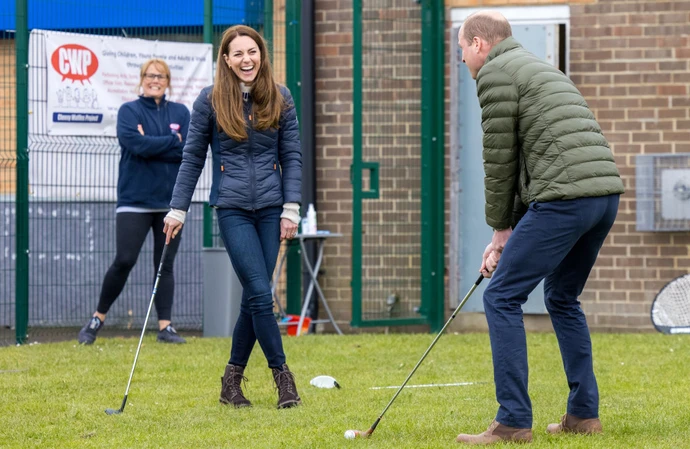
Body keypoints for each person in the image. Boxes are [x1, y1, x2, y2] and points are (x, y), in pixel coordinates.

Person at [454, 11, 625, 445]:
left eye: (461, 49)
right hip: (603, 197)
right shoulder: (538, 67)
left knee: (502, 296)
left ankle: (511, 421)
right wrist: (508, 229)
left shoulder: (495, 74)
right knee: (562, 297)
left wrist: (498, 231)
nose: (462, 60)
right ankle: (584, 415)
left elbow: (499, 161)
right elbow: (531, 156)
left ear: (478, 44)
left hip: (565, 200)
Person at [163, 25, 303, 409]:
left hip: (273, 210)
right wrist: (178, 208)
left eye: (252, 52)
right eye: (238, 53)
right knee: (260, 292)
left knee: (252, 298)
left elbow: (292, 156)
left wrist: (291, 208)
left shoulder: (281, 97)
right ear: (226, 60)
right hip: (232, 209)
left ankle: (231, 383)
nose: (247, 59)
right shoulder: (209, 101)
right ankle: (284, 380)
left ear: (262, 55)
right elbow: (191, 157)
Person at [78, 59, 190, 345]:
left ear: (168, 80)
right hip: (134, 201)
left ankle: (165, 327)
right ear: (142, 79)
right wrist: (170, 140)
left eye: (161, 76)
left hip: (170, 205)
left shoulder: (181, 111)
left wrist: (156, 143)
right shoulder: (129, 111)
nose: (156, 80)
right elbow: (135, 145)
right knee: (124, 260)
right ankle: (97, 318)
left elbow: (186, 151)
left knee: (164, 264)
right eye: (150, 75)